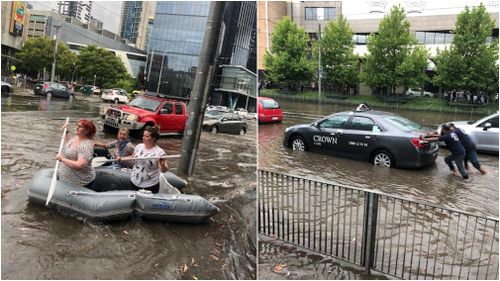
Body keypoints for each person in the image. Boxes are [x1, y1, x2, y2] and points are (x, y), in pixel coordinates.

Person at [117, 126, 168, 193]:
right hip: (134, 181)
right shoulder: (139, 146)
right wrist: (122, 158)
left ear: (153, 138)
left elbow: (163, 170)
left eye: (146, 136)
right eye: (143, 135)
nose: (143, 138)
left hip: (149, 185)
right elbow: (133, 158)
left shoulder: (160, 152)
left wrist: (163, 164)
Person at [56, 119, 97, 189]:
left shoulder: (85, 146)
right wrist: (66, 132)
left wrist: (62, 159)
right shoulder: (76, 137)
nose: (77, 128)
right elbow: (68, 143)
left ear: (87, 131)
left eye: (80, 127)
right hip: (66, 180)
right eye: (77, 125)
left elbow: (80, 165)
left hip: (80, 184)